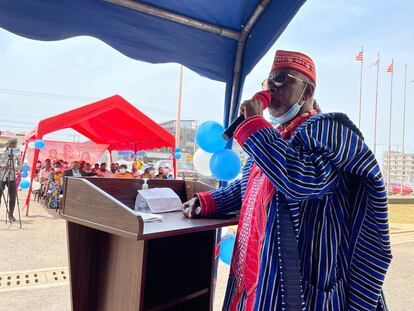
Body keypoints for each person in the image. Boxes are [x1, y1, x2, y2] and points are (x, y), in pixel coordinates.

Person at [182, 50, 392, 310]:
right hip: (257, 269)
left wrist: (256, 126)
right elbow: (248, 186)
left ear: (307, 92)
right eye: (268, 82)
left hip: (302, 279)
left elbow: (301, 180)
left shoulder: (328, 131)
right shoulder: (275, 137)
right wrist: (207, 201)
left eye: (282, 80)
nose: (271, 88)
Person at [0, 138, 21, 221]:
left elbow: (20, 165)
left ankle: (11, 215)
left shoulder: (17, 153)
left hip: (11, 177)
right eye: (11, 145)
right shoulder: (1, 151)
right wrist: (1, 167)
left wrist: (13, 167)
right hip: (1, 176)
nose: (12, 147)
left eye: (14, 146)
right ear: (7, 144)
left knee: (12, 197)